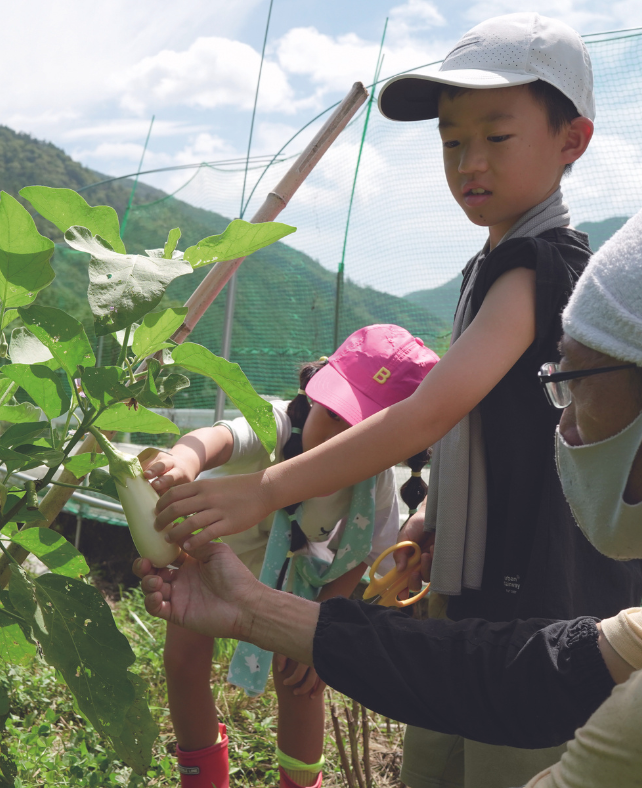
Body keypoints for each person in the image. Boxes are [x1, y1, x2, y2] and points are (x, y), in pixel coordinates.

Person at [150, 14, 642, 787]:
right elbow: (477, 428)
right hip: (478, 595)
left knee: (509, 762)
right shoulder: (495, 264)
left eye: (497, 136)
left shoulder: (537, 264)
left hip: (537, 607)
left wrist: (264, 489)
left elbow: (429, 413)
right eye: (452, 141)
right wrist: (428, 520)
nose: (469, 162)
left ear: (572, 141)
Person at [143, 325, 438, 788]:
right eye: (333, 415)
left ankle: (299, 782)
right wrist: (185, 459)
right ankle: (201, 778)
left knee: (302, 677)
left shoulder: (373, 483)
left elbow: (363, 557)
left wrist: (322, 618)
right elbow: (217, 438)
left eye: (361, 432)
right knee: (183, 659)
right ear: (315, 392)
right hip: (206, 568)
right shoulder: (276, 423)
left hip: (291, 581)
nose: (337, 438)